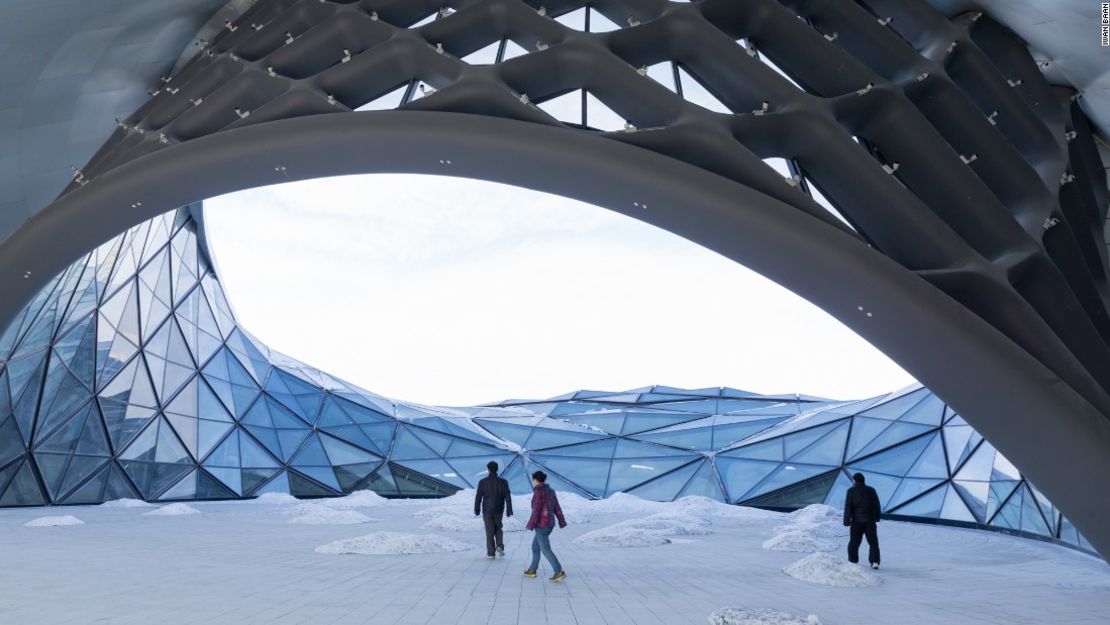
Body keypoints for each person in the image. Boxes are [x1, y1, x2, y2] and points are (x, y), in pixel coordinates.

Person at [524, 470, 567, 582]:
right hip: (549, 524)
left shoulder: (539, 492)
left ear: (536, 480)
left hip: (541, 525)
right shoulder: (550, 491)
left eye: (533, 480)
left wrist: (530, 524)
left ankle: (558, 571)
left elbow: (536, 510)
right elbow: (557, 507)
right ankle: (532, 569)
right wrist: (561, 521)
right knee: (535, 547)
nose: (533, 482)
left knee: (545, 549)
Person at [474, 461, 513, 559]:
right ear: (497, 469)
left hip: (487, 510)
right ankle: (499, 546)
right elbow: (507, 496)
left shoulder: (482, 482)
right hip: (499, 510)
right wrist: (509, 509)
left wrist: (477, 509)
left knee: (489, 531)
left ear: (488, 469)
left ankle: (491, 554)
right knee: (498, 528)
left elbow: (478, 496)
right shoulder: (503, 482)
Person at [843, 472, 882, 569]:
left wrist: (846, 521)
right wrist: (877, 517)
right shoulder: (871, 490)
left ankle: (853, 560)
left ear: (854, 480)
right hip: (870, 520)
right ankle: (875, 562)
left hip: (856, 521)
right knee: (873, 542)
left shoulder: (851, 491)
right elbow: (876, 504)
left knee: (854, 542)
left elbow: (848, 507)